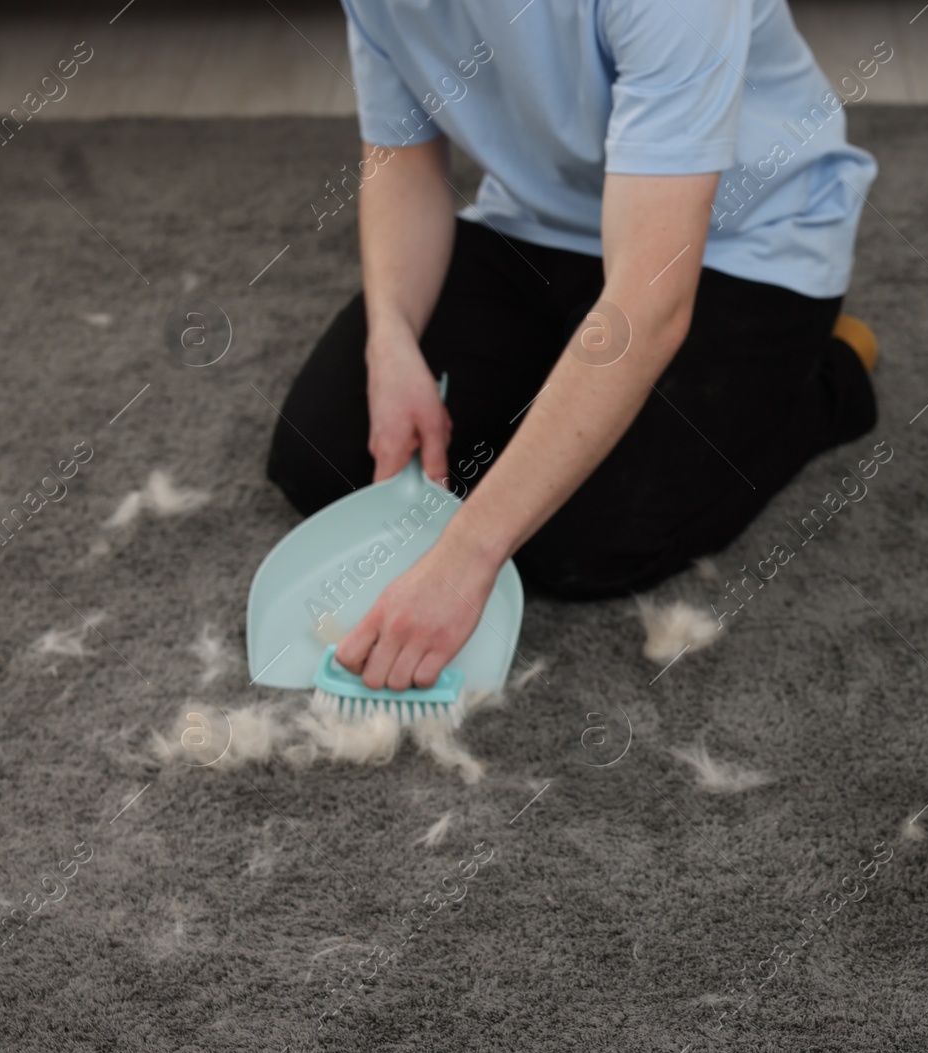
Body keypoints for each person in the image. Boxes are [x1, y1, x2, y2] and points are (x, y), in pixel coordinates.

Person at [266, 0, 881, 693]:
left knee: (579, 547)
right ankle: (552, 393)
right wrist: (391, 341)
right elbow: (400, 157)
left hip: (741, 244)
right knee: (325, 457)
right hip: (541, 225)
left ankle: (827, 378)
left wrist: (468, 552)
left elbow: (646, 303)